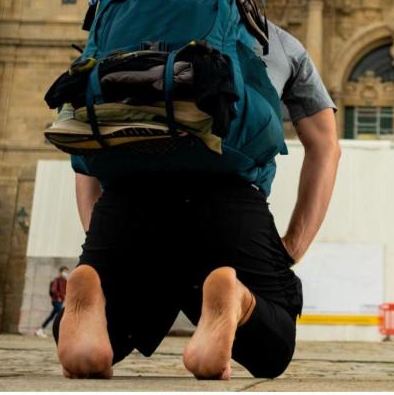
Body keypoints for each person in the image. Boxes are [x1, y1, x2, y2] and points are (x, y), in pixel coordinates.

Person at [55, 20, 341, 380]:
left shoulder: (117, 30)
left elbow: (86, 136)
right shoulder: (276, 41)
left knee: (113, 325)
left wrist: (95, 233)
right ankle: (235, 297)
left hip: (128, 202)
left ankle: (90, 310)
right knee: (273, 348)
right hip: (230, 204)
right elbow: (325, 145)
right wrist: (294, 245)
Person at [37, 267, 69, 338]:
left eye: (67, 272)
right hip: (56, 301)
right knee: (62, 315)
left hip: (59, 301)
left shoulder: (64, 281)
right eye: (64, 271)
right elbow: (53, 290)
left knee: (52, 316)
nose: (66, 273)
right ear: (60, 272)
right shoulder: (56, 280)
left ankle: (41, 329)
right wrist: (59, 297)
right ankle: (63, 333)